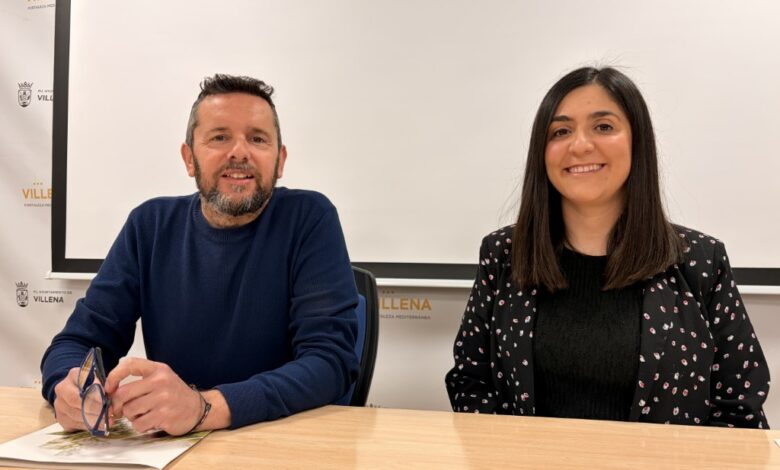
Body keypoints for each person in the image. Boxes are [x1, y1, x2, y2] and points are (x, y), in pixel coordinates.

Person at [445, 66, 770, 428]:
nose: (580, 145)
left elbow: (739, 407)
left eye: (603, 126)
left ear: (637, 141)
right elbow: (471, 385)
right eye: (561, 131)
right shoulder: (503, 253)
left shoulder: (700, 260)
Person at [41, 74, 359, 435]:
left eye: (257, 138)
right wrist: (66, 388)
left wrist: (205, 408)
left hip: (280, 441)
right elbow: (78, 342)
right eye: (220, 137)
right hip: (174, 447)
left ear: (279, 160)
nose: (239, 152)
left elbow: (329, 361)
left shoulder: (310, 218)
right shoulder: (149, 225)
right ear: (189, 158)